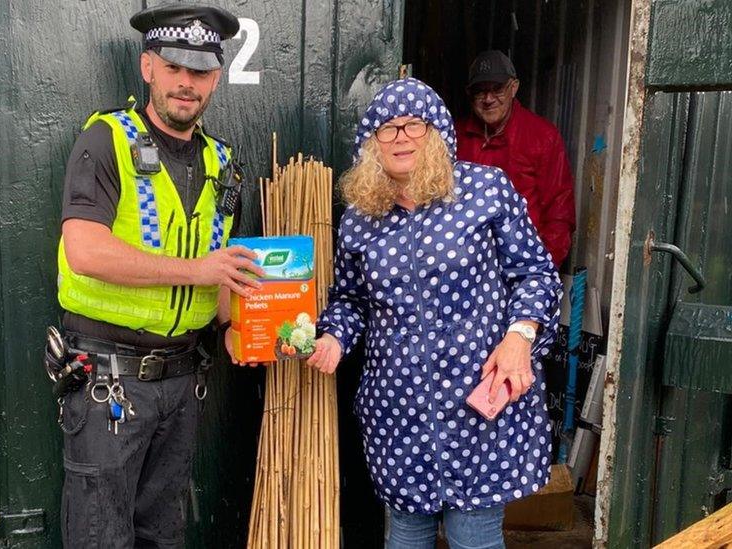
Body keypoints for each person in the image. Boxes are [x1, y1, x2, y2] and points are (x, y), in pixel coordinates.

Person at [307, 77, 562, 548]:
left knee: (474, 537)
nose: (401, 136)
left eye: (414, 125)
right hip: (399, 411)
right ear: (371, 144)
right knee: (405, 537)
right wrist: (334, 338)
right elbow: (351, 300)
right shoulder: (360, 219)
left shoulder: (485, 190)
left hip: (479, 402)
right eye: (388, 128)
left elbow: (537, 275)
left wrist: (520, 336)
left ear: (438, 133)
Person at [54, 4, 263, 547]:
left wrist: (242, 326)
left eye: (199, 72)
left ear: (216, 78)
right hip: (108, 384)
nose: (185, 84)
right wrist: (198, 269)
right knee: (101, 538)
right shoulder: (106, 141)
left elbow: (221, 277)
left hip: (181, 383)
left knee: (162, 537)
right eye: (174, 68)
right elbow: (84, 250)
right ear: (149, 68)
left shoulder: (224, 163)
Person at [456, 50, 576, 267]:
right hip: (466, 267)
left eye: (497, 89)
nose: (489, 99)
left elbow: (560, 212)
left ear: (514, 88)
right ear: (468, 93)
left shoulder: (542, 136)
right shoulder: (455, 137)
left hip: (524, 263)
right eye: (480, 91)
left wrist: (543, 268)